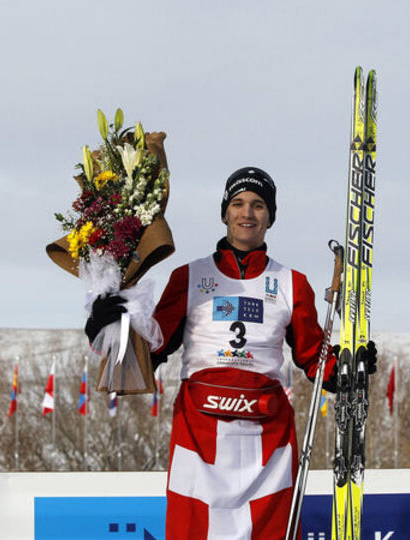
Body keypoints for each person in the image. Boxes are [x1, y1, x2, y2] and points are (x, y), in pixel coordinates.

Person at [85, 167, 377, 539]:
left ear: (270, 216)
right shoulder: (189, 276)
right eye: (238, 204)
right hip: (200, 431)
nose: (247, 213)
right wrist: (109, 327)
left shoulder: (292, 283)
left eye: (258, 205)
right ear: (224, 213)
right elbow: (153, 349)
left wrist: (349, 366)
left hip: (266, 437)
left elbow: (313, 357)